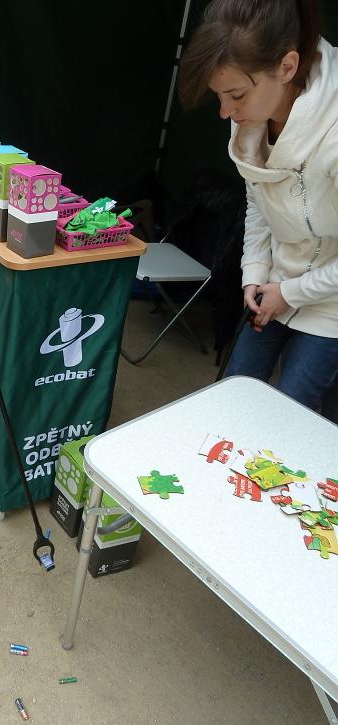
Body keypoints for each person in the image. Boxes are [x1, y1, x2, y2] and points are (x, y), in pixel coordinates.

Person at [179, 0, 338, 417]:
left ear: (288, 67)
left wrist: (291, 293)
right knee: (233, 395)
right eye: (219, 96)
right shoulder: (251, 111)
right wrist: (254, 273)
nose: (226, 112)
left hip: (330, 302)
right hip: (274, 284)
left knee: (290, 418)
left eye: (235, 95)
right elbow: (258, 198)